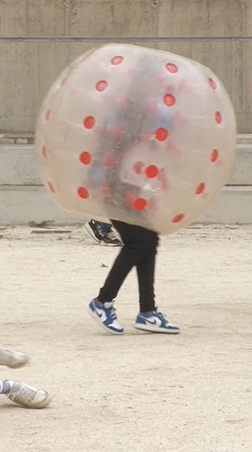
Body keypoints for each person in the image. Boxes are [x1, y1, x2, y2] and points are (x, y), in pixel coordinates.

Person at [85, 56, 179, 335]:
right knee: (139, 242)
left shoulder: (141, 108)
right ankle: (102, 302)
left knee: (148, 239)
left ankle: (147, 312)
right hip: (116, 184)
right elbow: (117, 142)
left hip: (128, 183)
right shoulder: (130, 109)